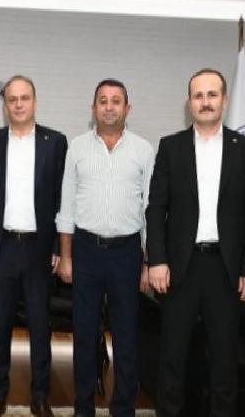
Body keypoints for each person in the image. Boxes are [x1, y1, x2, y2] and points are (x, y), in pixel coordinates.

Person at [145, 69, 245, 416]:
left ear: (224, 100)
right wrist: (157, 260)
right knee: (172, 357)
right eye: (198, 95)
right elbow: (156, 208)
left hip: (226, 270)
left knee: (224, 361)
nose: (205, 102)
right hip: (180, 268)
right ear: (189, 103)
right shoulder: (171, 147)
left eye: (212, 95)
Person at [56, 79, 153, 417]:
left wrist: (147, 262)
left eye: (116, 101)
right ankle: (83, 408)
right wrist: (66, 256)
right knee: (84, 334)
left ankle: (123, 408)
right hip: (87, 251)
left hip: (128, 253)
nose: (109, 107)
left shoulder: (143, 150)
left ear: (127, 108)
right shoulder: (77, 148)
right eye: (103, 101)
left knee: (126, 336)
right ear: (93, 108)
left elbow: (150, 210)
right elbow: (67, 206)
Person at [0, 76, 67, 417]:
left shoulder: (54, 142)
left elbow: (61, 198)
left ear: (35, 102)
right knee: (0, 326)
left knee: (40, 327)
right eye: (12, 99)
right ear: (5, 106)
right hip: (2, 248)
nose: (18, 104)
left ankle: (40, 396)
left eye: (24, 98)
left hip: (39, 250)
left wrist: (59, 245)